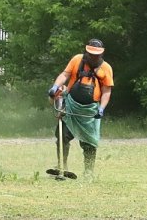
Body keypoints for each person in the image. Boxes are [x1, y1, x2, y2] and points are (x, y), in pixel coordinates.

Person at [47, 38, 114, 175]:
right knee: (62, 135)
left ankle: (88, 172)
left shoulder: (106, 68)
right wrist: (55, 86)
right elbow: (65, 74)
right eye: (91, 54)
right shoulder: (77, 60)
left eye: (97, 55)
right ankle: (61, 166)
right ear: (86, 52)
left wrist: (101, 108)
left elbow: (107, 91)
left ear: (101, 54)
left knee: (90, 143)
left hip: (91, 111)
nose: (94, 57)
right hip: (71, 106)